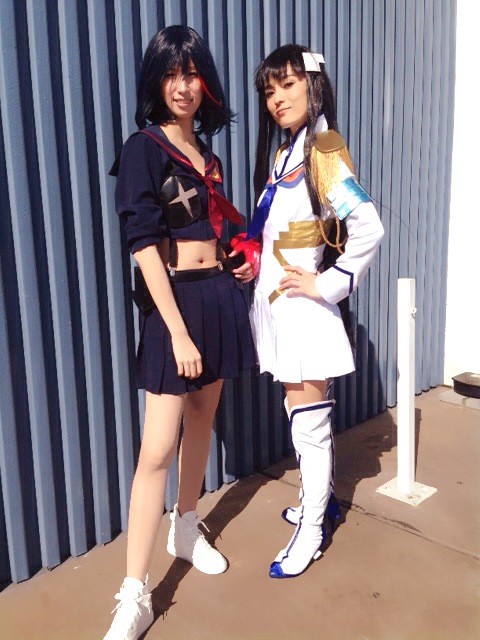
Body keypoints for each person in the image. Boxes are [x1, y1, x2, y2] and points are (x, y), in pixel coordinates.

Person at [105, 25, 256, 639]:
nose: (183, 85)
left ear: (205, 82)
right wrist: (177, 333)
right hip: (175, 306)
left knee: (202, 418)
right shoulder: (143, 148)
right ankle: (134, 592)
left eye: (191, 73)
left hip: (217, 295)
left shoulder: (206, 156)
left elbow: (214, 229)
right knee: (155, 451)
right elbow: (143, 244)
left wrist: (240, 259)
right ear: (156, 80)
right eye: (171, 73)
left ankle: (186, 527)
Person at [248, 44, 384, 579]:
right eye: (269, 90)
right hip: (279, 305)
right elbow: (284, 227)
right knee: (300, 414)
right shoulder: (289, 150)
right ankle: (317, 501)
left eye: (287, 84)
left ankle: (311, 531)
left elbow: (368, 228)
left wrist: (327, 284)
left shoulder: (323, 149)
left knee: (309, 425)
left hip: (304, 309)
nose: (277, 99)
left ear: (313, 84)